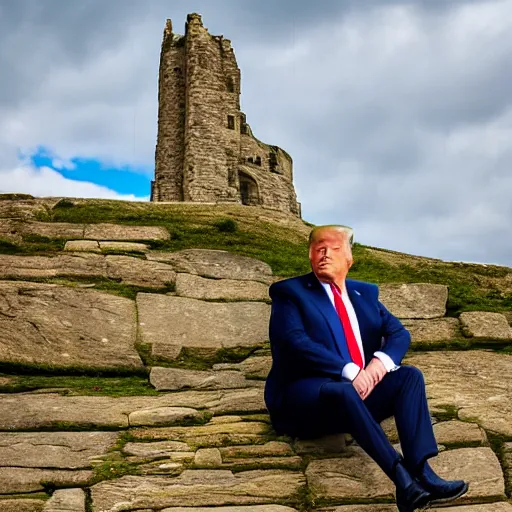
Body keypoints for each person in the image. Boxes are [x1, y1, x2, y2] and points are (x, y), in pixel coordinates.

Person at [264, 225, 468, 512]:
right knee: (344, 391)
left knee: (409, 376)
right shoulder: (290, 293)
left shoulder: (364, 294)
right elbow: (294, 342)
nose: (324, 254)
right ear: (310, 254)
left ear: (349, 257)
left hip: (357, 398)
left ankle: (422, 470)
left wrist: (376, 367)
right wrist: (349, 371)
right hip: (306, 401)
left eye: (334, 248)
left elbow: (399, 334)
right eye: (318, 247)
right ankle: (403, 480)